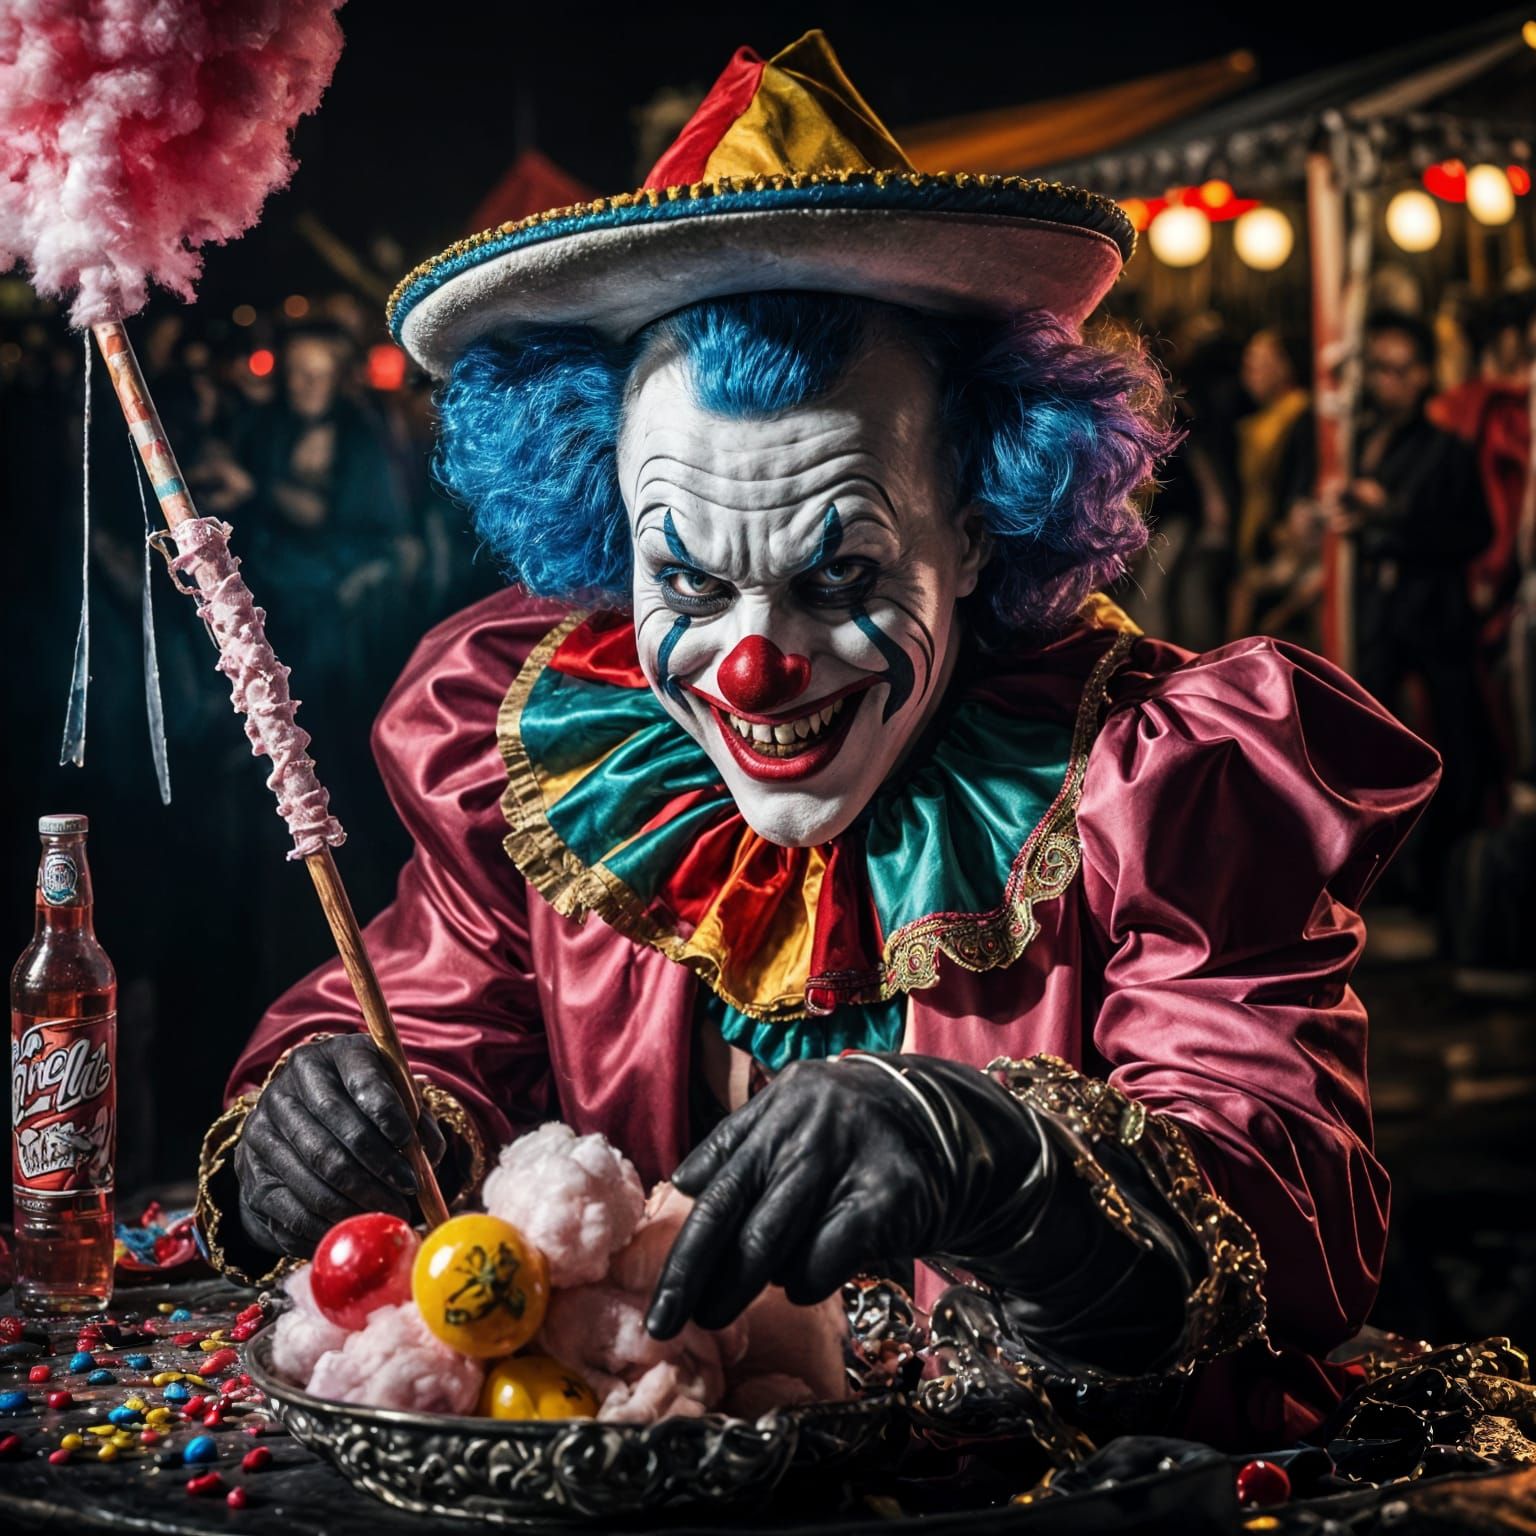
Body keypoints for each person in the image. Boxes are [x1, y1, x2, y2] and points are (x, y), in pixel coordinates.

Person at [195, 32, 1439, 1451]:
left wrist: (1001, 1165)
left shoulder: (1159, 777)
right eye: (691, 581)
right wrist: (351, 1113)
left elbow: (1291, 1213)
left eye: (839, 576)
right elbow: (435, 1020)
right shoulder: (557, 757)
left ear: (975, 531)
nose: (751, 667)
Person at [1331, 311, 1494, 904]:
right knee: (1373, 746)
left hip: (1437, 617)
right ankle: (1387, 881)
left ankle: (1446, 885)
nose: (1387, 383)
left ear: (1424, 376)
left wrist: (1390, 516)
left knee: (1454, 747)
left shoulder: (1448, 450)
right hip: (1384, 617)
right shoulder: (1363, 442)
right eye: (1378, 370)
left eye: (1400, 371)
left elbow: (1473, 532)